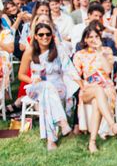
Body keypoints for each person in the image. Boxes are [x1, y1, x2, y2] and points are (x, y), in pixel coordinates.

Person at [18, 23, 77, 151]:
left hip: (57, 88)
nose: (45, 37)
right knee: (46, 86)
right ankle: (63, 123)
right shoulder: (30, 52)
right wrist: (32, 79)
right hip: (35, 87)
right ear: (36, 36)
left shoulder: (57, 50)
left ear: (52, 35)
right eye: (41, 34)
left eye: (48, 34)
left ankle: (51, 140)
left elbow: (69, 69)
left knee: (48, 92)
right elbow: (21, 75)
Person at [74, 25, 117, 153]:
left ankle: (92, 142)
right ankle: (112, 125)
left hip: (106, 86)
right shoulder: (79, 55)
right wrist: (83, 86)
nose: (93, 39)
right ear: (85, 40)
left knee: (97, 100)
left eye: (96, 36)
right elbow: (75, 75)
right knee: (97, 90)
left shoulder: (106, 50)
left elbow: (108, 70)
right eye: (90, 37)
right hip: (87, 88)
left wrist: (99, 52)